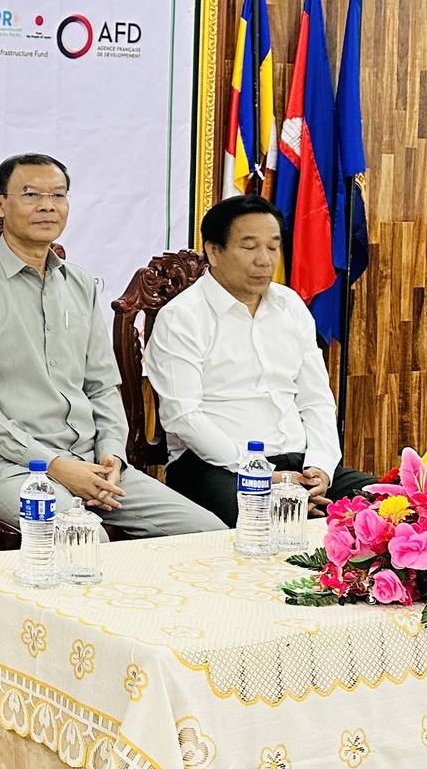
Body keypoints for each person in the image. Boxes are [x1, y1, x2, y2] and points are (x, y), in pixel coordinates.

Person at [0, 153, 223, 537]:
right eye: (31, 194)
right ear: (0, 204)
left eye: (58, 195)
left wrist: (112, 453)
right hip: (5, 468)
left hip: (90, 462)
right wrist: (53, 465)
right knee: (83, 537)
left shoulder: (80, 283)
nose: (47, 206)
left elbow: (101, 385)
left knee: (207, 533)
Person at [144, 194, 374, 525]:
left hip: (300, 466)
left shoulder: (290, 305)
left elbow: (316, 400)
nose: (264, 260)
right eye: (250, 247)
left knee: (392, 509)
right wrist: (263, 475)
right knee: (272, 524)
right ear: (214, 251)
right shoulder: (182, 317)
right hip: (216, 467)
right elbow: (184, 417)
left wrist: (321, 467)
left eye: (273, 247)